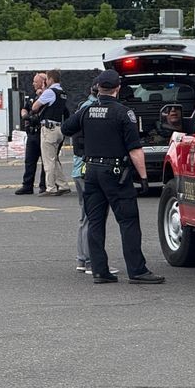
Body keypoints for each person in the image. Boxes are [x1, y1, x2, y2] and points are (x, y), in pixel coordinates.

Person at [62, 69, 164, 284]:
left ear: (98, 88)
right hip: (115, 173)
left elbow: (66, 128)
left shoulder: (86, 111)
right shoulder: (123, 113)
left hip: (91, 172)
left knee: (96, 221)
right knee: (128, 221)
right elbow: (135, 149)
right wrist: (144, 178)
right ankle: (137, 271)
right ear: (118, 88)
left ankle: (100, 270)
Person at [71, 84, 118, 276]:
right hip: (88, 169)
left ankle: (83, 259)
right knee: (94, 217)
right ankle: (91, 260)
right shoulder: (91, 111)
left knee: (86, 216)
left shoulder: (83, 108)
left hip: (79, 169)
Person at [31, 69, 70, 196]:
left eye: (46, 79)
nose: (45, 82)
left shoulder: (50, 92)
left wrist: (42, 91)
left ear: (51, 79)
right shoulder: (62, 93)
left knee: (48, 160)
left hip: (48, 128)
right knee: (55, 159)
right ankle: (63, 185)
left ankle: (50, 187)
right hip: (59, 128)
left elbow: (35, 106)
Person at [15, 73, 48, 195]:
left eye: (36, 81)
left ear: (43, 82)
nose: (33, 84)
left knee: (46, 161)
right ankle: (27, 185)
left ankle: (44, 185)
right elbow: (25, 108)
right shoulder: (31, 96)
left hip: (42, 132)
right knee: (29, 161)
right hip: (32, 132)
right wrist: (24, 115)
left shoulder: (47, 96)